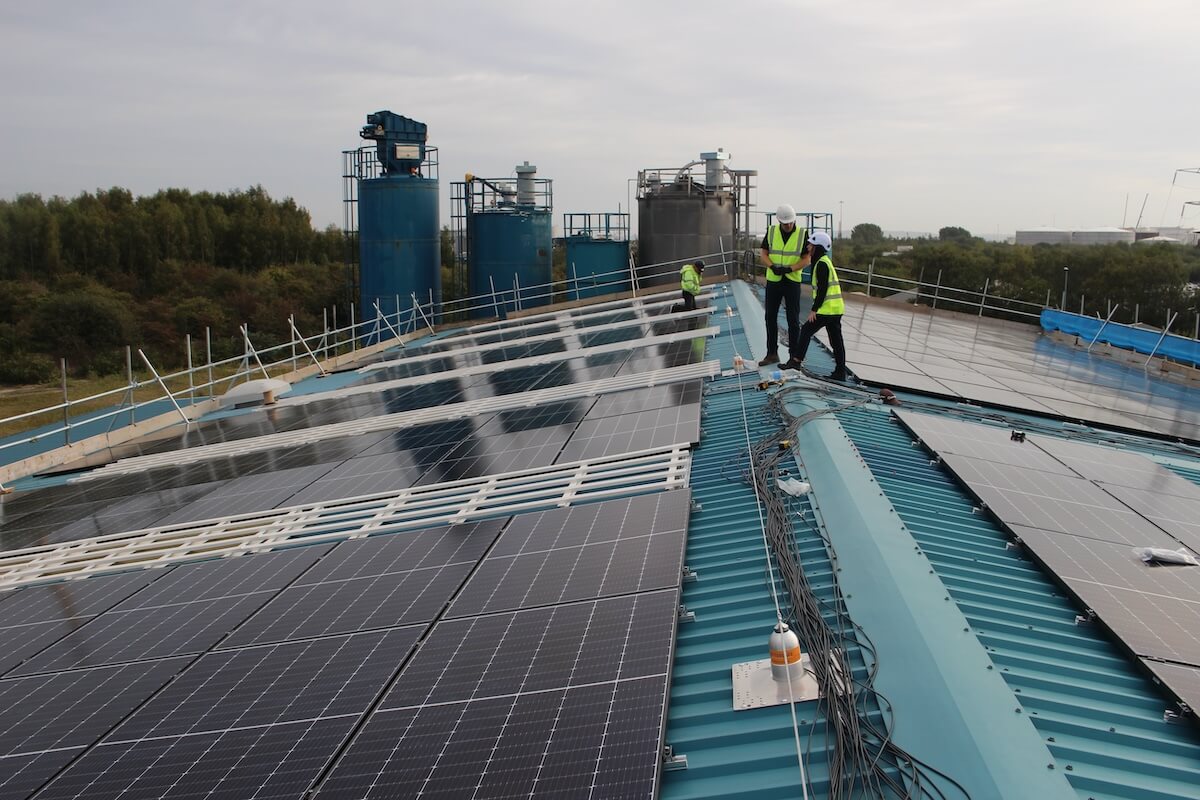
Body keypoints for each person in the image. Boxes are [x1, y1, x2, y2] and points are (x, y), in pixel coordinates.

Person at [786, 231, 846, 379]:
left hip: (827, 310)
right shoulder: (824, 261)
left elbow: (823, 289)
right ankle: (840, 372)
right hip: (836, 309)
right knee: (836, 341)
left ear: (817, 246)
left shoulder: (821, 264)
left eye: (810, 244)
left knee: (806, 330)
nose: (808, 246)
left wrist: (814, 309)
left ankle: (796, 361)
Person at [758, 204, 808, 366]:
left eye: (790, 222)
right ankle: (772, 353)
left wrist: (790, 268)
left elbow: (807, 259)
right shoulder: (772, 231)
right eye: (785, 223)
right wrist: (772, 266)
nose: (788, 226)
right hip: (774, 279)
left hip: (792, 280)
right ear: (779, 221)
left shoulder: (802, 234)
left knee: (793, 320)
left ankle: (794, 357)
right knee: (770, 317)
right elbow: (763, 253)